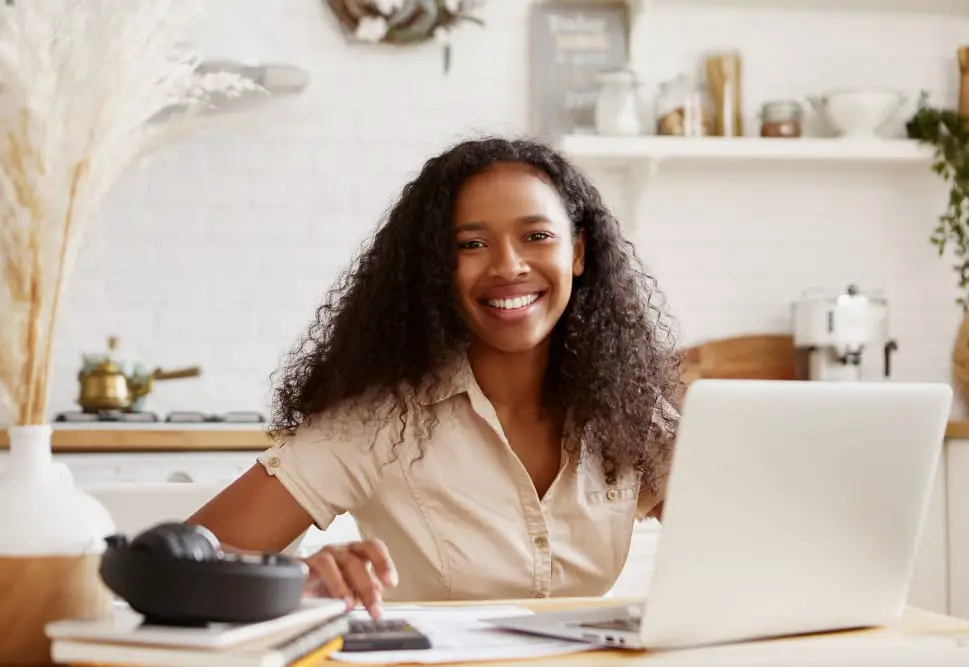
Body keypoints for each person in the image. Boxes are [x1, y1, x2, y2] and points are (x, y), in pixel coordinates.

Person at [188, 136, 682, 619]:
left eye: (536, 236)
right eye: (472, 244)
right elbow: (181, 564)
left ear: (577, 253)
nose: (509, 266)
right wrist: (294, 577)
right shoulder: (381, 420)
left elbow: (742, 544)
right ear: (438, 269)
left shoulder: (627, 408)